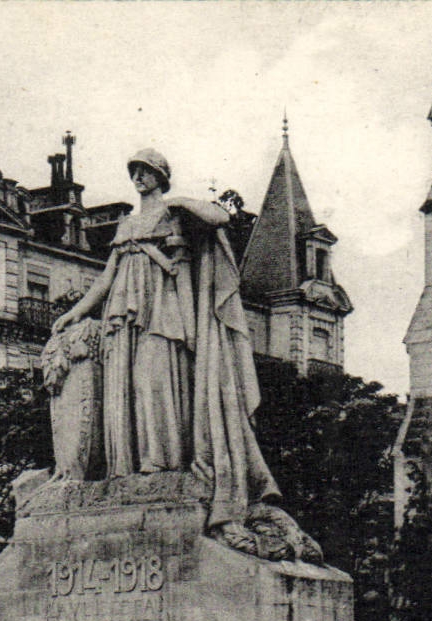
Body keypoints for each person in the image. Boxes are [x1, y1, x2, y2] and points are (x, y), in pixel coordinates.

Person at [53, 148, 280, 536]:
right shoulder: (126, 224)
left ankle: (162, 463)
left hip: (162, 312)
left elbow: (220, 217)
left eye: (146, 171)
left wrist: (179, 201)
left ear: (161, 176)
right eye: (135, 171)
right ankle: (128, 466)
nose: (139, 177)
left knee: (153, 382)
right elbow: (108, 277)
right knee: (122, 389)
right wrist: (77, 311)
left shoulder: (174, 214)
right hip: (122, 316)